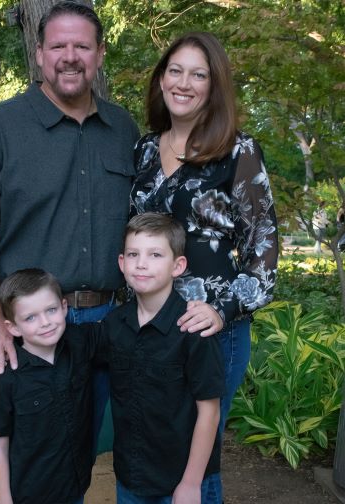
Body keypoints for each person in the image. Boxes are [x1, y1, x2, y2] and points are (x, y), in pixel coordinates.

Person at [0, 2, 140, 502]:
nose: (69, 57)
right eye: (58, 46)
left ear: (99, 54)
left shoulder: (123, 131)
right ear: (39, 53)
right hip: (21, 331)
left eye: (82, 46)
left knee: (72, 463)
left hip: (98, 333)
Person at [129, 32, 278, 502]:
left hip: (210, 332)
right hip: (150, 328)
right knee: (152, 445)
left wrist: (223, 310)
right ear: (161, 78)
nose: (185, 83)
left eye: (199, 74)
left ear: (214, 87)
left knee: (196, 459)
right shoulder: (145, 151)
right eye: (175, 70)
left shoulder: (238, 151)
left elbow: (265, 253)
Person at [99, 213, 224, 504]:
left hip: (180, 482)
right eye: (133, 254)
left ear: (177, 266)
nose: (141, 263)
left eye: (155, 254)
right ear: (122, 263)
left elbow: (210, 412)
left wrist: (191, 484)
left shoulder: (194, 330)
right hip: (130, 478)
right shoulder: (114, 325)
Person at [0, 268, 103, 504]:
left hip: (74, 487)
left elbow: (128, 325)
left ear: (64, 307)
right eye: (30, 317)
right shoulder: (6, 378)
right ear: (13, 327)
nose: (45, 323)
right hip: (30, 494)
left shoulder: (80, 342)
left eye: (51, 310)